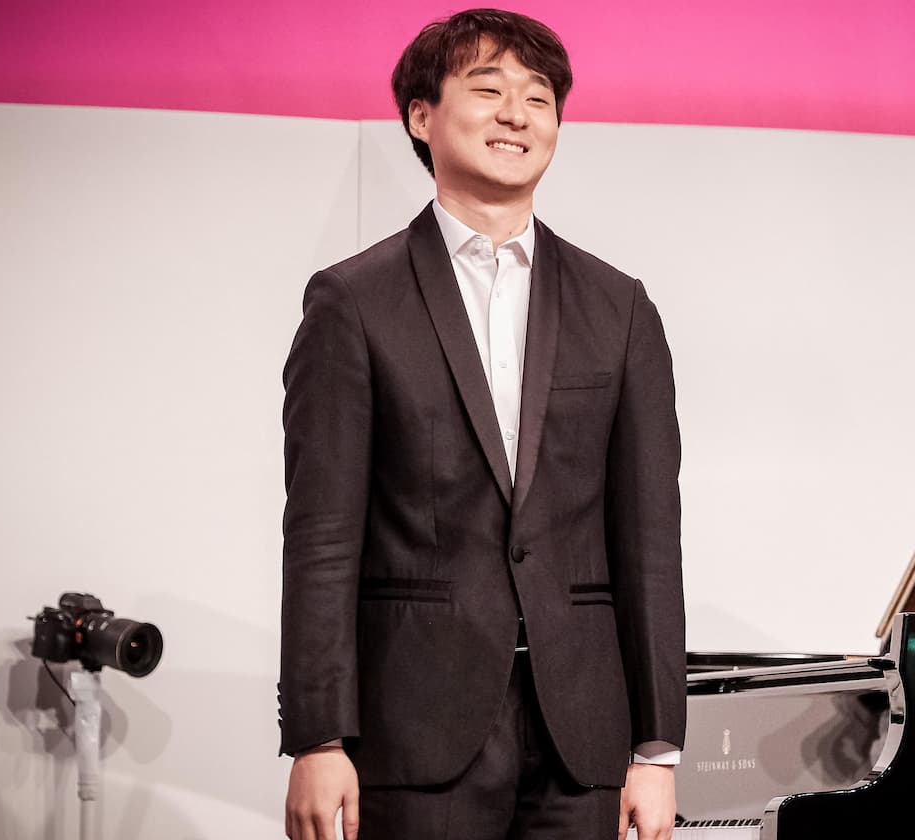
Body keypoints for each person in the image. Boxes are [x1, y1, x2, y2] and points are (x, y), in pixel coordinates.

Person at [275, 9, 685, 840]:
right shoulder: (353, 301)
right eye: (488, 89)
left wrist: (657, 747)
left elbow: (648, 534)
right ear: (421, 116)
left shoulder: (621, 307)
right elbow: (321, 534)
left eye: (539, 98)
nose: (518, 114)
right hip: (413, 731)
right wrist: (318, 738)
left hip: (584, 738)